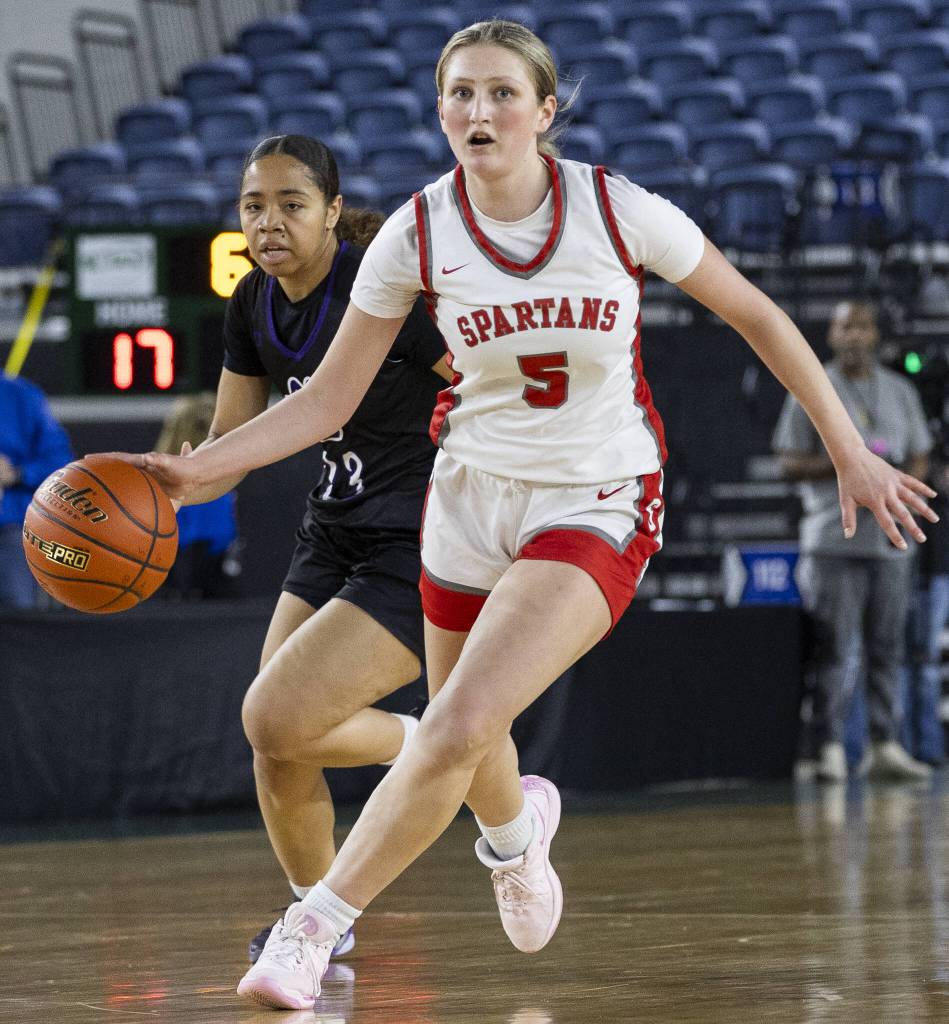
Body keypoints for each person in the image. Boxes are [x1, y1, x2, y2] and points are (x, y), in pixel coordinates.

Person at [111, 21, 938, 1010]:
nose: (477, 110)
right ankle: (512, 837)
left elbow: (756, 310)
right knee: (468, 738)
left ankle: (310, 928)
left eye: (502, 93)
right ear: (439, 113)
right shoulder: (416, 232)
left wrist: (848, 447)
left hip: (596, 494)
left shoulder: (613, 207)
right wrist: (198, 470)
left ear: (544, 112)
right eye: (458, 94)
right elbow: (325, 401)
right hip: (467, 501)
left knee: (457, 718)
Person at [171, 134, 452, 963]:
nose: (268, 222)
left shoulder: (386, 284)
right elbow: (230, 444)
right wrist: (159, 486)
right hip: (330, 530)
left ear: (333, 211)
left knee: (282, 716)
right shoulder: (251, 300)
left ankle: (442, 745)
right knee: (275, 742)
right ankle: (317, 922)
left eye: (291, 204)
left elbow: (478, 385)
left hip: (417, 535)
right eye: (253, 206)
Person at [773, 300, 934, 783]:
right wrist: (851, 466)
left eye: (863, 325)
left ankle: (885, 745)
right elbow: (787, 461)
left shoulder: (901, 390)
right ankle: (829, 749)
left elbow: (921, 453)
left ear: (876, 334)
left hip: (890, 540)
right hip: (832, 539)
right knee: (834, 650)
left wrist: (899, 488)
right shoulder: (811, 386)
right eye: (846, 326)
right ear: (831, 334)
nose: (856, 335)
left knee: (888, 648)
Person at [154, 392, 239, 599]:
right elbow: (201, 544)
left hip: (172, 582)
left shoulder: (156, 480)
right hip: (196, 585)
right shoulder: (211, 486)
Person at [0, 370, 73, 609]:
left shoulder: (20, 396)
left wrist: (16, 474)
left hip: (9, 529)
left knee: (17, 618)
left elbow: (61, 465)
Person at [902, 439, 948, 766]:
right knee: (901, 662)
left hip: (938, 568)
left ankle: (929, 748)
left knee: (928, 662)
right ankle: (900, 748)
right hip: (905, 567)